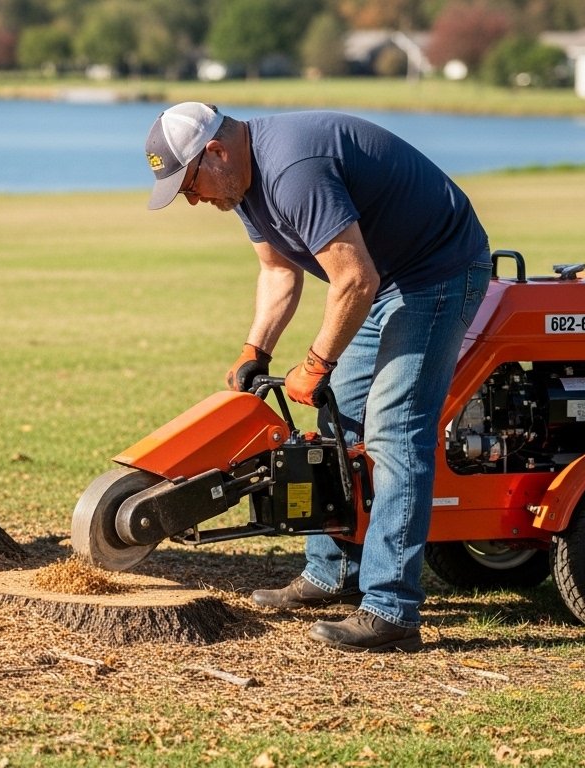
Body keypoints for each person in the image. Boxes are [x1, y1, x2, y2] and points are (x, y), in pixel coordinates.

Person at [143, 102, 492, 652]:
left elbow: (354, 277)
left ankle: (391, 610)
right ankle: (332, 572)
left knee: (395, 434)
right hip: (381, 280)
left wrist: (315, 364)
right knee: (336, 426)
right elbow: (278, 269)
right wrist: (255, 348)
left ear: (215, 152)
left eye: (189, 185)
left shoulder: (291, 170)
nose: (193, 199)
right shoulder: (241, 185)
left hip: (434, 274)